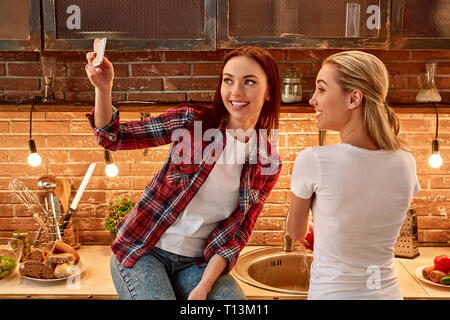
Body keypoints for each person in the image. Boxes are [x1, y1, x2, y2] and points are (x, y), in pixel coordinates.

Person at [85, 45, 282, 300]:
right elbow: (113, 138)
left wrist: (204, 287)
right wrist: (103, 88)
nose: (236, 92)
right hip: (145, 249)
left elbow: (235, 235)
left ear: (269, 92)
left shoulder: (267, 162)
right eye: (228, 80)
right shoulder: (191, 123)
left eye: (249, 82)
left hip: (197, 264)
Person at [287, 50, 420, 300]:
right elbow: (379, 229)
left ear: (353, 98)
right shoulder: (406, 161)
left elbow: (296, 233)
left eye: (322, 89)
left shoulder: (313, 159)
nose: (313, 100)